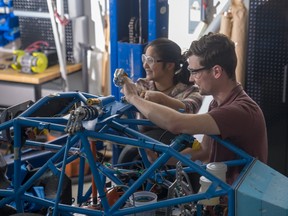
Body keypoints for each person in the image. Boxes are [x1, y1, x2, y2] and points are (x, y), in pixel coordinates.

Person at [121, 32, 268, 185]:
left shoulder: (239, 110)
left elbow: (176, 123)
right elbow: (203, 151)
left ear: (216, 71)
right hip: (223, 194)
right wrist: (161, 159)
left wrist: (133, 98)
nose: (191, 78)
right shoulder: (217, 103)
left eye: (194, 72)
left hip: (240, 201)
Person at [117, 37, 203, 163]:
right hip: (144, 144)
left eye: (150, 60)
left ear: (169, 65)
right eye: (144, 59)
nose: (145, 65)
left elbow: (188, 108)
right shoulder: (142, 85)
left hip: (178, 151)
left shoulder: (191, 92)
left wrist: (162, 99)